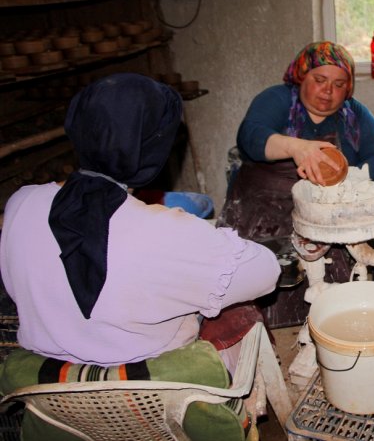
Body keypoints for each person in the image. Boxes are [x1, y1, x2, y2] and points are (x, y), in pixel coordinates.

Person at [0, 73, 281, 374]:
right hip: (146, 389)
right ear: (152, 150)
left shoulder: (22, 203)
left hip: (52, 387)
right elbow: (266, 272)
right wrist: (214, 240)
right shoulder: (168, 232)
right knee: (240, 314)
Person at [212, 41, 374, 334]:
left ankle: (323, 322)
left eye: (339, 84)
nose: (328, 91)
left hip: (321, 209)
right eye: (319, 80)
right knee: (253, 278)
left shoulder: (354, 114)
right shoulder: (277, 100)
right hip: (262, 208)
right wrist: (295, 147)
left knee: (335, 284)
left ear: (348, 89)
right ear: (300, 78)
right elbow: (251, 137)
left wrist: (346, 179)